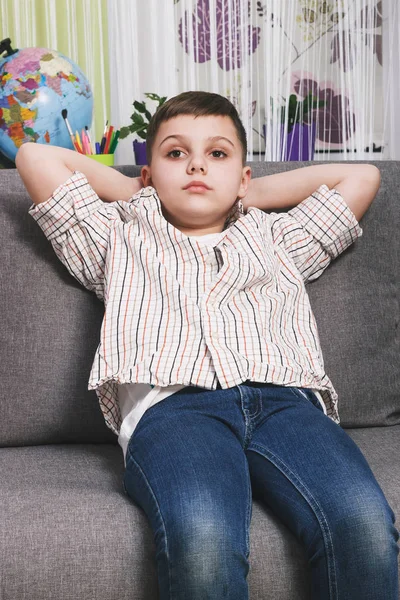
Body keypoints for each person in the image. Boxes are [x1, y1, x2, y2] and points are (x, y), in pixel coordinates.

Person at [16, 91, 398, 600]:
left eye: (217, 154)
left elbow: (362, 177)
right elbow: (35, 157)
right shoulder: (118, 237)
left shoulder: (277, 239)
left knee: (363, 523)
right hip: (175, 409)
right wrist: (139, 189)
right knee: (203, 538)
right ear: (150, 173)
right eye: (176, 153)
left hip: (286, 403)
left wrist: (246, 196)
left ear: (243, 175)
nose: (196, 164)